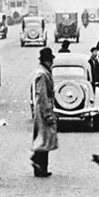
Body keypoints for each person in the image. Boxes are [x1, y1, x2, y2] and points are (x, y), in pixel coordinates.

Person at [30, 47, 58, 177]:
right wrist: (47, 113)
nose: (52, 62)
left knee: (44, 137)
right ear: (46, 61)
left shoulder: (44, 72)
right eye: (50, 60)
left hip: (43, 108)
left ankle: (40, 165)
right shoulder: (42, 74)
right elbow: (42, 95)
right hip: (43, 109)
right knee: (44, 137)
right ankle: (39, 164)